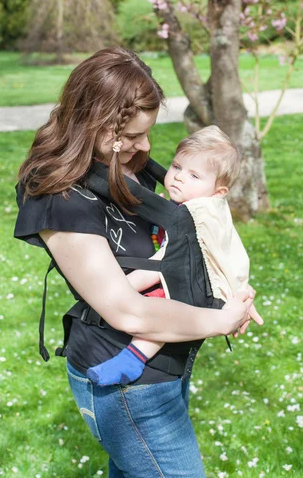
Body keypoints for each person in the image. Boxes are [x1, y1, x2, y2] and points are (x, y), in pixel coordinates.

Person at [14, 47, 263, 478]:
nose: (147, 148)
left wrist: (230, 292)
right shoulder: (60, 198)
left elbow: (188, 241)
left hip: (165, 367)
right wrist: (219, 321)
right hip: (129, 386)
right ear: (99, 128)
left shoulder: (123, 164)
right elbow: (126, 309)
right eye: (133, 136)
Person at [87, 125, 253, 386]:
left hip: (199, 286)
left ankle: (132, 359)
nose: (179, 177)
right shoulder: (193, 205)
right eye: (176, 167)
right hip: (199, 278)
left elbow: (161, 265)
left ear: (218, 192)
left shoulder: (199, 216)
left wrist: (116, 293)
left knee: (160, 307)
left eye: (195, 176)